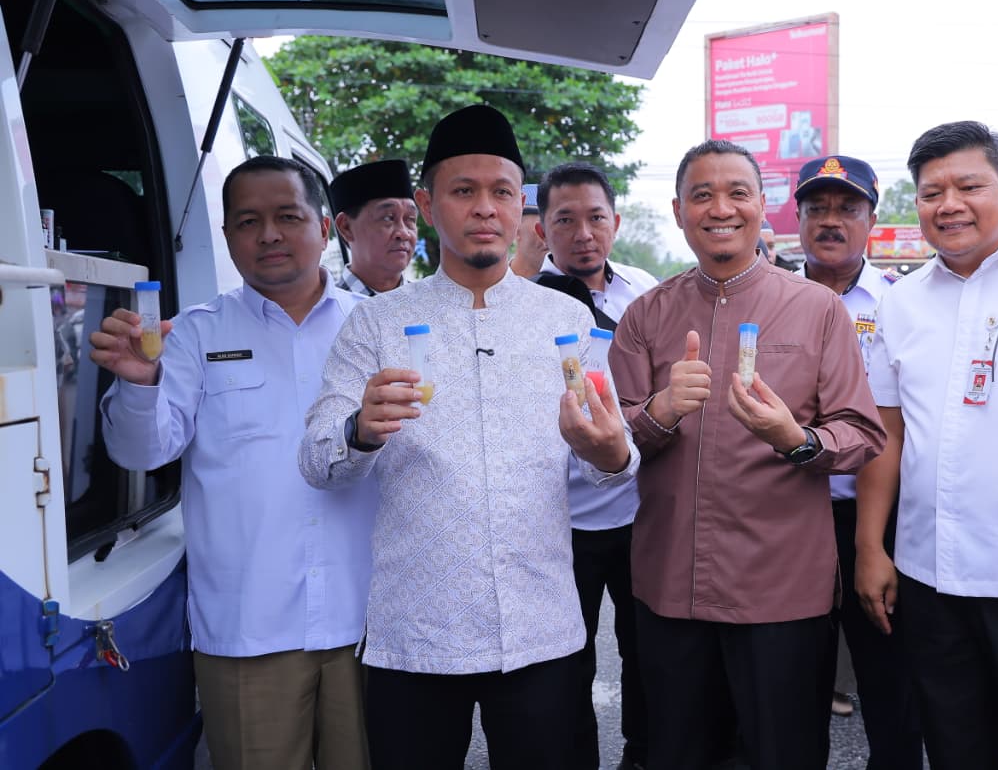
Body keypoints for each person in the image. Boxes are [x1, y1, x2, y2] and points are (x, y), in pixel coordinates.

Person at [297, 104, 640, 770]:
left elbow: (613, 452)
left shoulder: (565, 319)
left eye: (501, 192)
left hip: (540, 626)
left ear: (522, 209)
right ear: (427, 204)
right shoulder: (377, 324)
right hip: (416, 632)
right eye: (463, 191)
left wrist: (610, 452)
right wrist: (359, 431)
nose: (484, 208)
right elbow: (317, 460)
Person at [610, 138, 887, 770]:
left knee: (782, 753)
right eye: (701, 195)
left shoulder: (817, 309)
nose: (720, 208)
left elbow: (862, 431)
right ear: (677, 211)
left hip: (781, 592)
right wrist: (658, 413)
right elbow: (611, 444)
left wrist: (798, 439)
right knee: (678, 752)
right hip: (671, 587)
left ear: (764, 207)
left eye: (737, 192)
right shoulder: (645, 315)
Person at [91, 155, 375, 770]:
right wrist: (141, 384)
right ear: (226, 237)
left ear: (325, 229)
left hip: (369, 621)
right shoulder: (193, 334)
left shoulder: (376, 328)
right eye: (247, 221)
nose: (268, 234)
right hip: (250, 627)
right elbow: (144, 451)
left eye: (287, 216)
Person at [853, 121, 998, 770]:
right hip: (929, 576)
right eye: (931, 192)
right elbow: (887, 431)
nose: (948, 203)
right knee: (954, 743)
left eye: (968, 185)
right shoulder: (904, 302)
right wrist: (872, 547)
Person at [794, 154, 922, 770]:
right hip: (788, 517)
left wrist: (874, 543)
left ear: (872, 219)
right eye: (816, 207)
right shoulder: (767, 296)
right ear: (797, 220)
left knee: (889, 682)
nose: (830, 220)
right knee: (789, 683)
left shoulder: (901, 305)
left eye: (847, 208)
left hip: (876, 518)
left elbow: (893, 426)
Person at [531, 161, 659, 770]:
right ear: (540, 231)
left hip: (639, 511)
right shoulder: (518, 301)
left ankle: (642, 753)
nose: (583, 233)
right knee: (565, 661)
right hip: (557, 522)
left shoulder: (645, 292)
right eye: (565, 220)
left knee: (646, 652)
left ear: (615, 221)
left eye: (595, 218)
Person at [330, 159, 418, 295]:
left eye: (410, 219)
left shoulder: (433, 306)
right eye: (388, 218)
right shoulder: (328, 313)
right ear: (346, 227)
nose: (404, 233)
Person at [509, 183, 549, 278]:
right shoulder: (490, 285)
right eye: (543, 227)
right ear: (516, 229)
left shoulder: (573, 288)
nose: (551, 237)